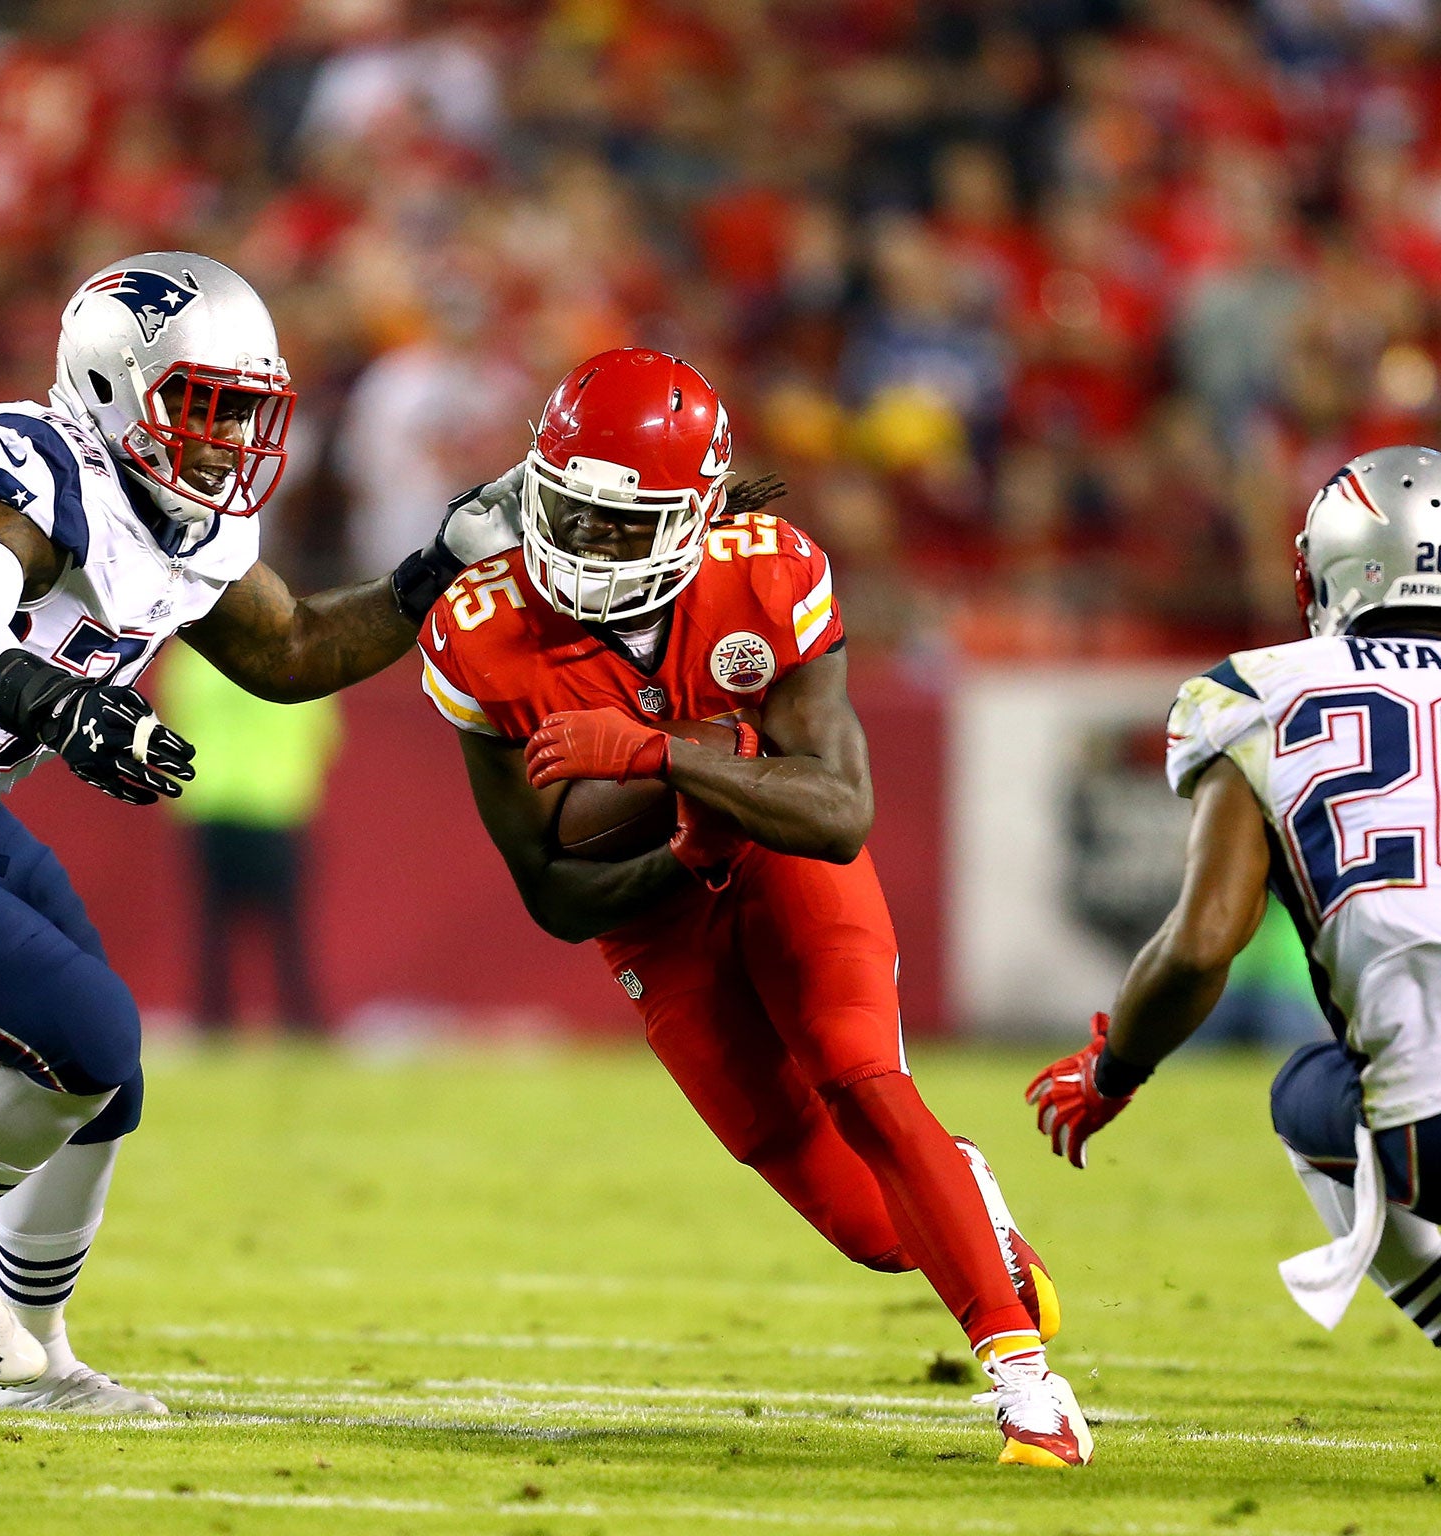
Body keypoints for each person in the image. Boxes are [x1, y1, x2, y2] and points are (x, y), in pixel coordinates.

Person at [0, 250, 520, 1412]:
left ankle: (27, 1363)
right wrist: (58, 701)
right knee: (82, 1032)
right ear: (109, 387)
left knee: (110, 1073)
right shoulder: (31, 460)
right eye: (201, 408)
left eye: (244, 412)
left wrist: (429, 573)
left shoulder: (179, 515)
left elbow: (288, 651)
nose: (224, 441)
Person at [419, 347, 1093, 1467]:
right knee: (870, 1228)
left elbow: (833, 812)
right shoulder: (480, 629)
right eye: (565, 511)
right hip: (656, 916)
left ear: (691, 515)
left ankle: (1027, 1389)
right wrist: (684, 848)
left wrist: (661, 757)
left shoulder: (764, 570)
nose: (580, 545)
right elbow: (549, 893)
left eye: (613, 524)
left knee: (861, 1077)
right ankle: (963, 1193)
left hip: (782, 853)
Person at [1028, 446, 1441, 1346]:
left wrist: (1112, 1072)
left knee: (1306, 1090)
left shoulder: (1262, 692)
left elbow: (1204, 941)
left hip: (1429, 1115)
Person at [155, 642, 341, 1034]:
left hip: (211, 802)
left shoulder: (193, 659)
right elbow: (326, 732)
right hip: (276, 804)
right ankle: (301, 1022)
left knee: (214, 927)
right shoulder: (300, 655)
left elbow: (171, 718)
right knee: (287, 928)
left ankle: (214, 1022)